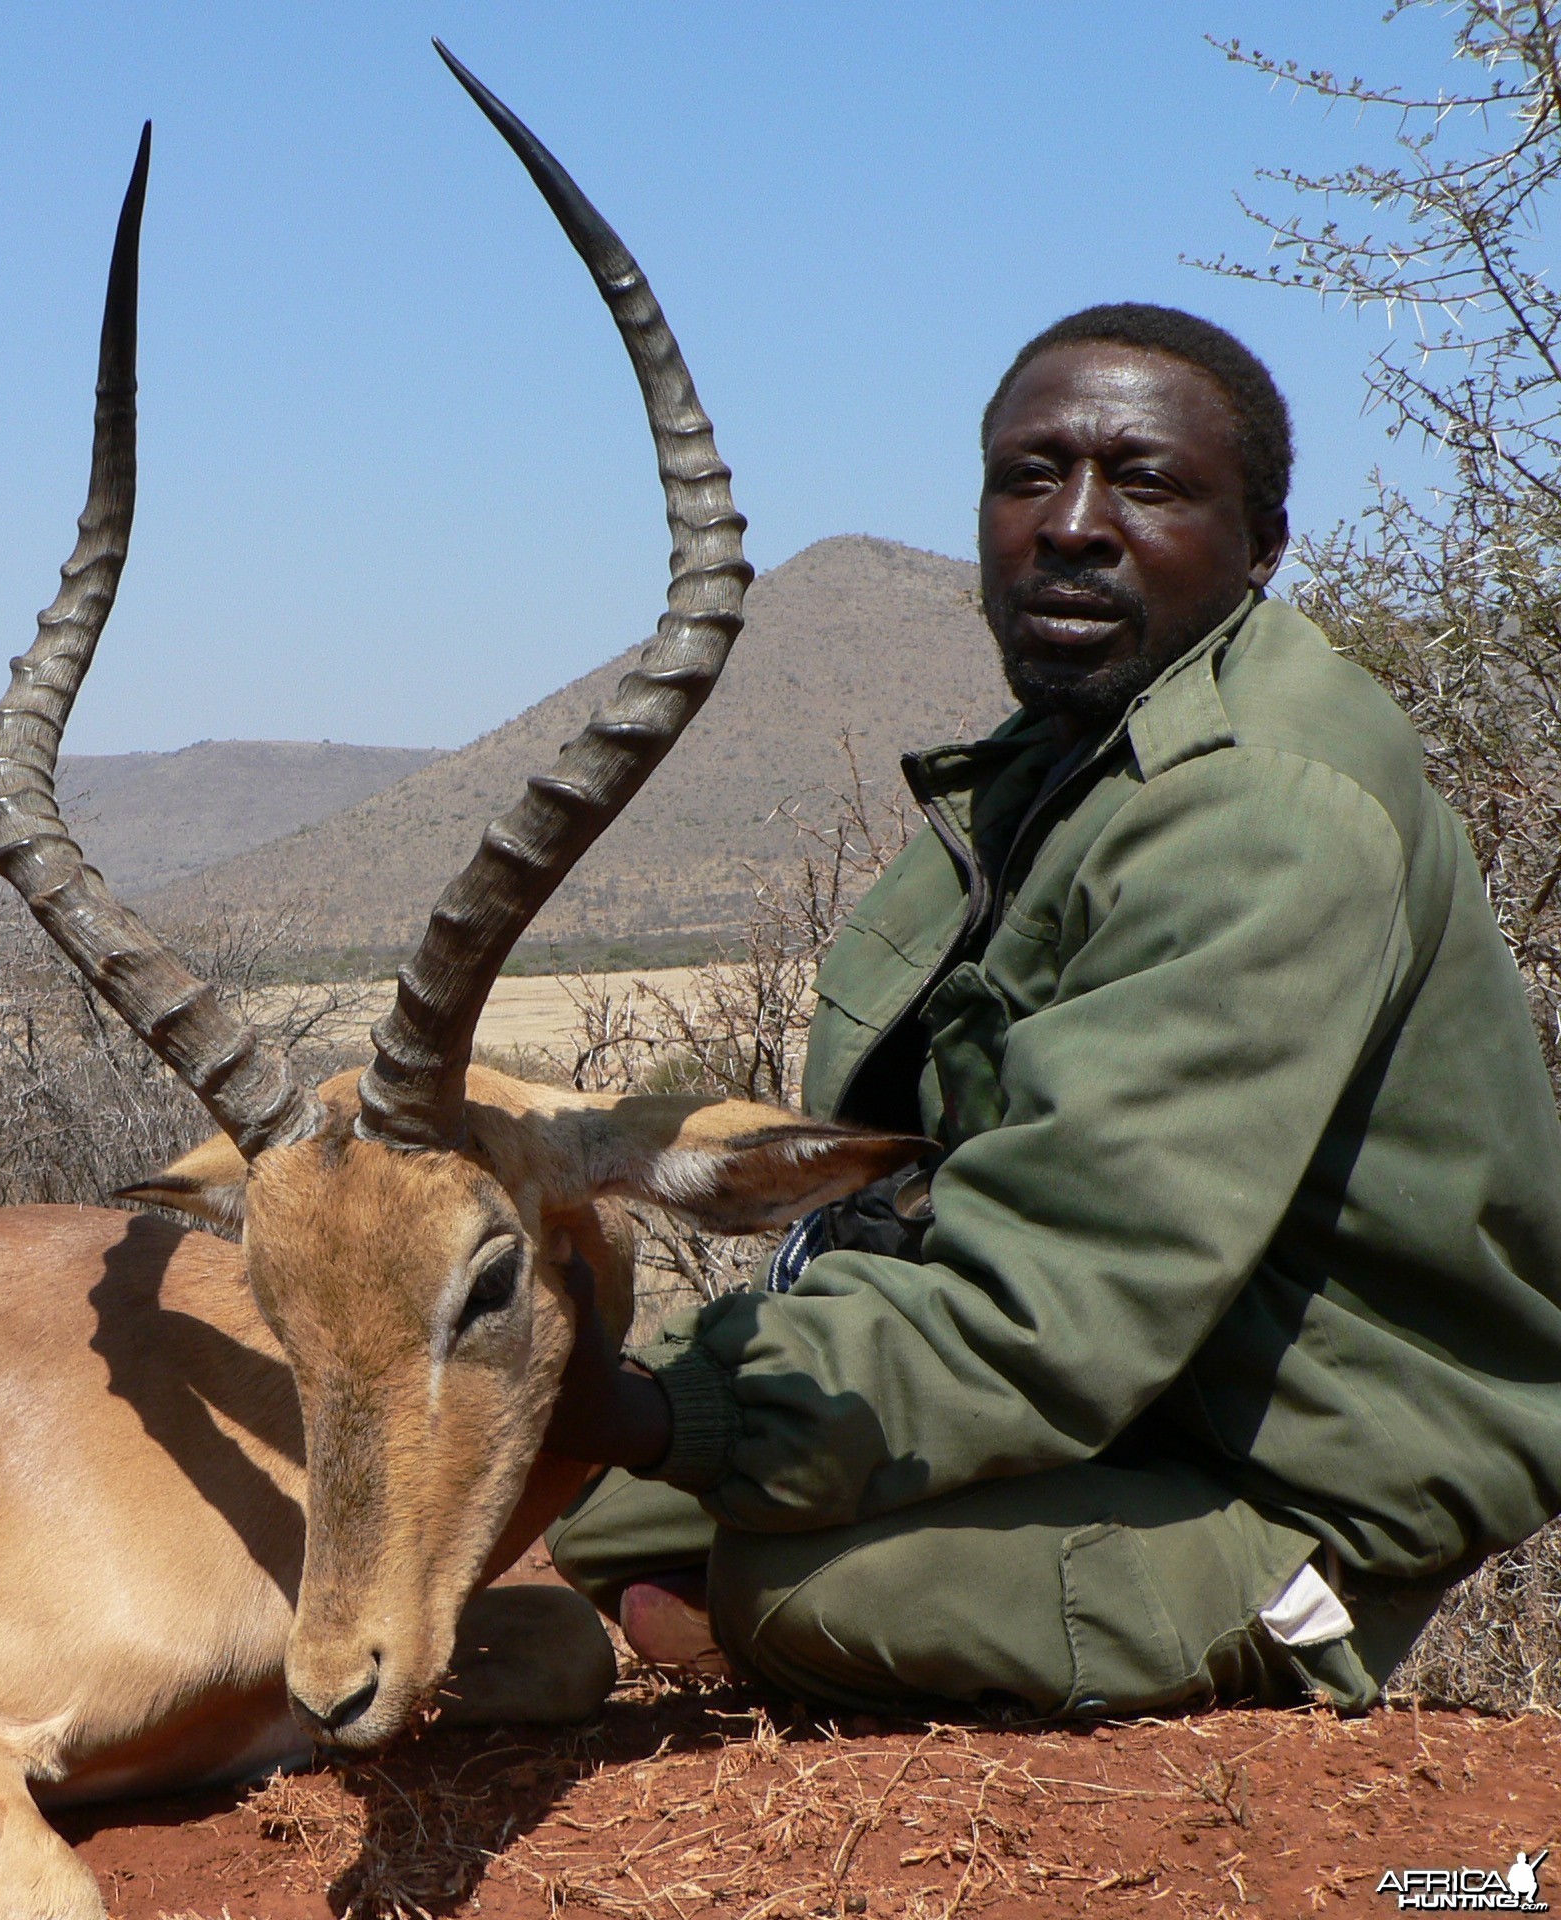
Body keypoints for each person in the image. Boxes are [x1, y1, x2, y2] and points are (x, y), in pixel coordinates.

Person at [540, 304, 1561, 1718]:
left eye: (1144, 483)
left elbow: (1051, 1305)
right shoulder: (1060, 760)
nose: (1073, 523)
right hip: (1129, 1399)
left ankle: (1300, 1634)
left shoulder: (1264, 807)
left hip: (1300, 1478)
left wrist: (657, 1406)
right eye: (1031, 475)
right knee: (583, 1508)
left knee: (808, 1587)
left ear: (1262, 543)